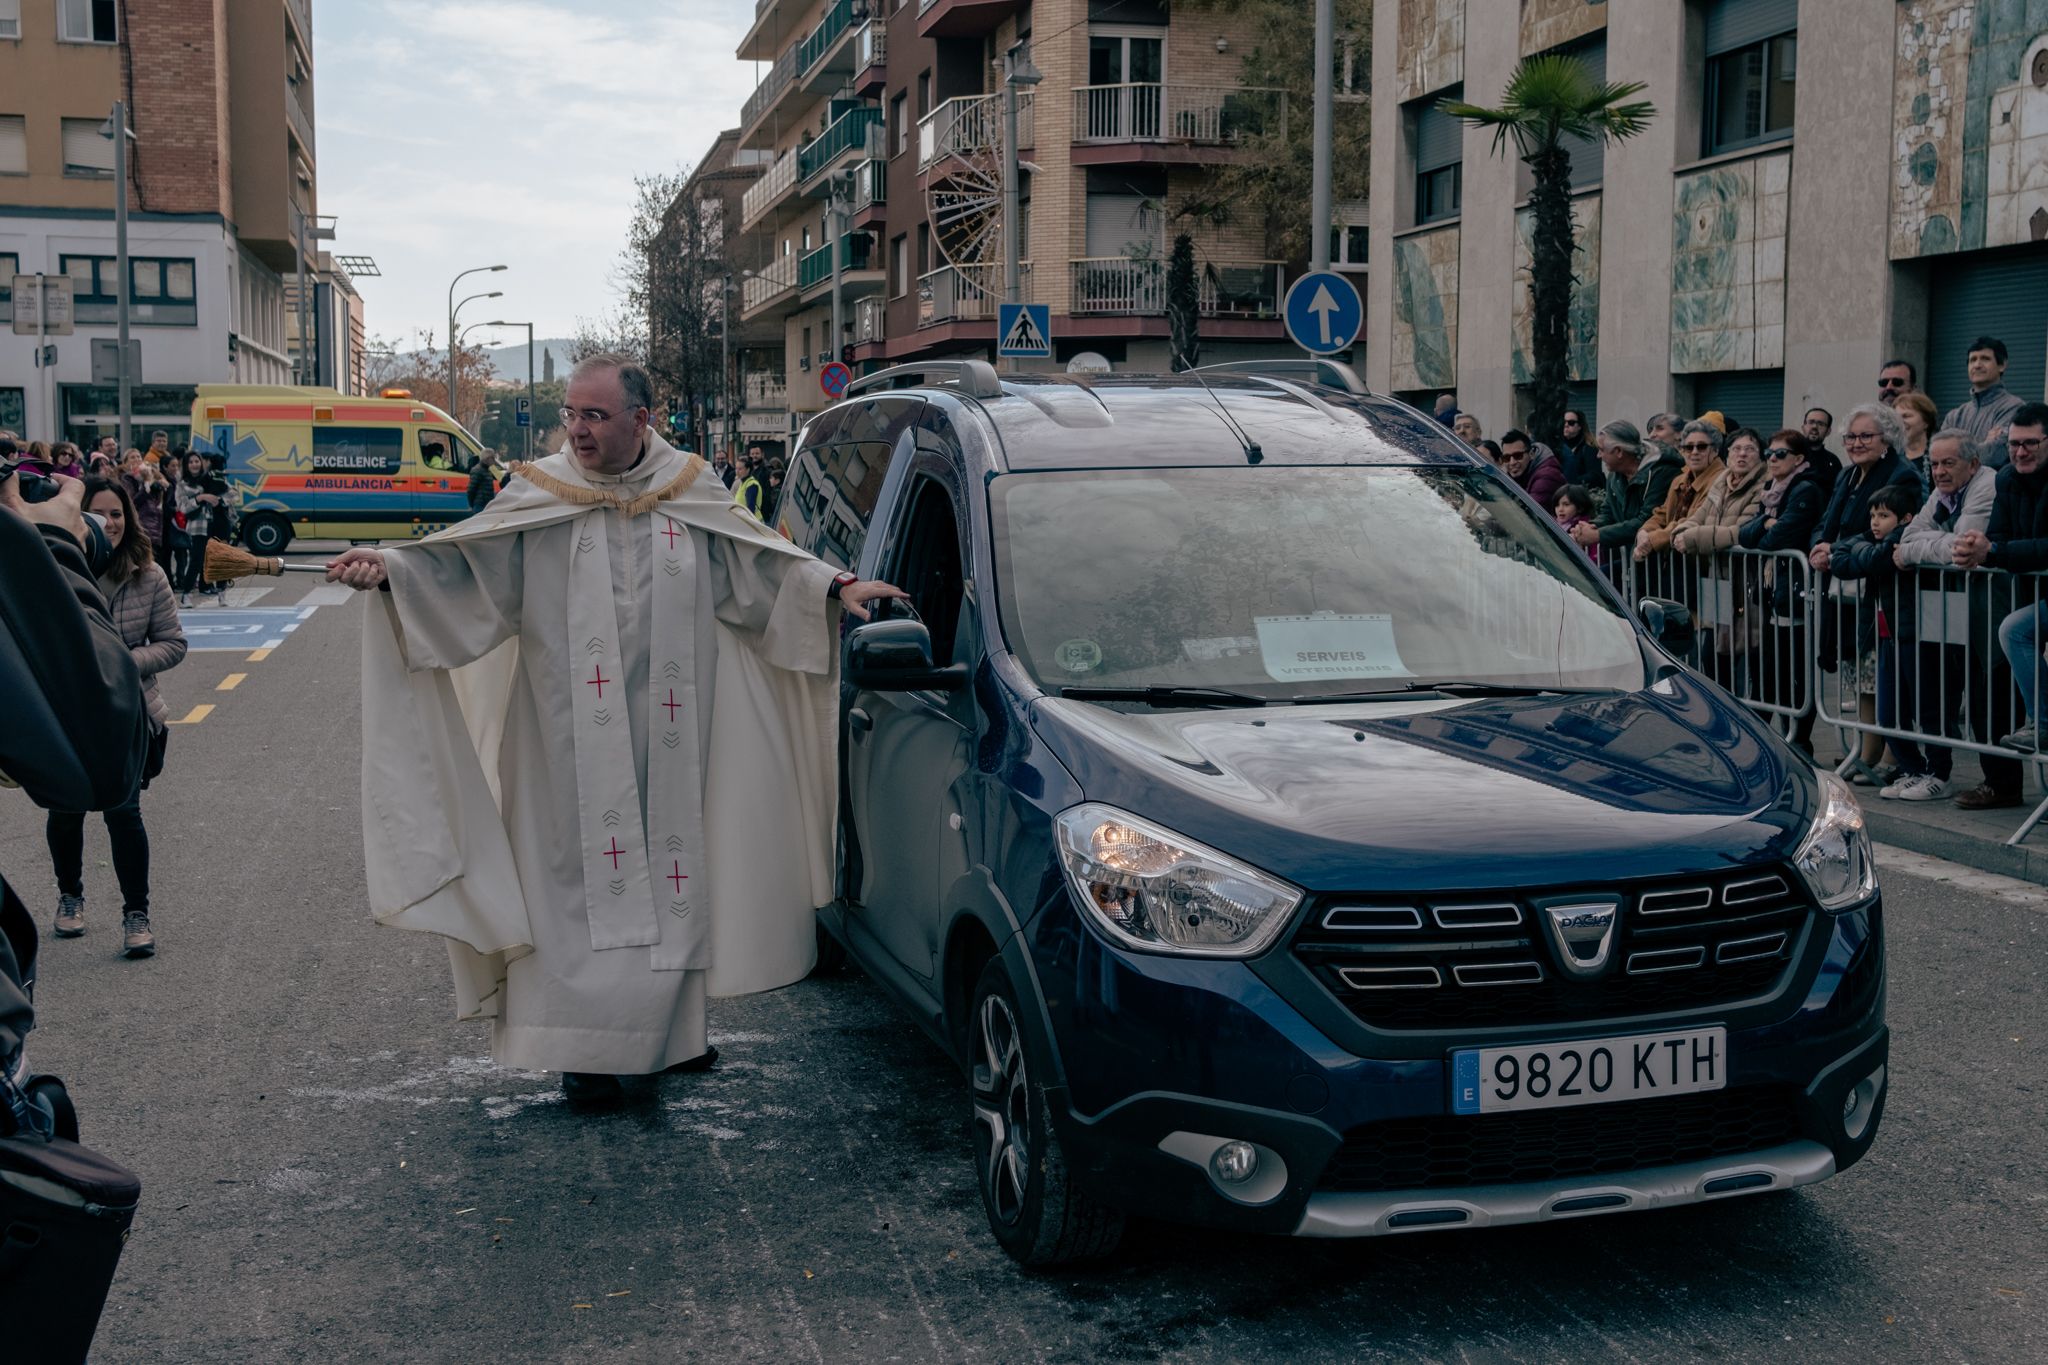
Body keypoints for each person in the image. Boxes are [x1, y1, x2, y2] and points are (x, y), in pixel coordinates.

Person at [326, 355, 906, 1110]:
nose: (578, 429)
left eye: (595, 416)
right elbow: (465, 577)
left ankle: (666, 1035)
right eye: (571, 413)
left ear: (642, 420)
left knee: (669, 881)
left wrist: (837, 586)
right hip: (562, 748)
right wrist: (395, 572)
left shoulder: (690, 491)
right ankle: (583, 1051)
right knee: (571, 892)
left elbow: (760, 571)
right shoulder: (539, 496)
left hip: (669, 739)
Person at [45, 479, 185, 955]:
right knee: (65, 810)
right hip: (67, 713)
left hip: (129, 715)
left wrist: (125, 661)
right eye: (97, 513)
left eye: (117, 513)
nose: (108, 522)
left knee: (124, 814)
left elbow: (173, 644)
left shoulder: (149, 576)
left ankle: (136, 914)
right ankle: (70, 897)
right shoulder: (52, 570)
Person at [1811, 404, 1924, 782]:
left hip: (1881, 590)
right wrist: (1821, 545)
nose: (1856, 444)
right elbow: (1827, 523)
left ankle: (1891, 753)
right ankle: (1867, 749)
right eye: (1851, 437)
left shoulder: (1901, 475)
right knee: (1858, 673)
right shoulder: (1847, 476)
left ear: (1886, 440)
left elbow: (1891, 534)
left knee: (1881, 673)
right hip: (1846, 588)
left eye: (1865, 436)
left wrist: (1840, 551)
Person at [1887, 430, 1997, 801]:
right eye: (1934, 463)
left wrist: (1919, 548)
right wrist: (1925, 545)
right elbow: (1909, 536)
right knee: (1937, 686)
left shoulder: (1986, 485)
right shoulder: (1941, 493)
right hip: (1947, 605)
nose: (1939, 472)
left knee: (1984, 697)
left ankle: (1997, 782)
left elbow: (1965, 543)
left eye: (1949, 462)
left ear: (1973, 464)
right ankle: (1936, 771)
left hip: (1984, 606)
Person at [1740, 431, 1833, 755]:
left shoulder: (1805, 488)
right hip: (1771, 592)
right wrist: (1765, 523)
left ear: (1799, 459)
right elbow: (1747, 534)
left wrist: (1766, 526)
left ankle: (1798, 742)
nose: (1772, 458)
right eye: (1770, 452)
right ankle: (1767, 741)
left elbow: (1774, 537)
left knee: (1793, 673)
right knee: (1767, 669)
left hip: (1795, 592)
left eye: (1780, 453)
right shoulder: (1772, 490)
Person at [1969, 406, 2048, 781]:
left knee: (2015, 629)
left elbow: (2003, 548)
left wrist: (1998, 552)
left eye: (2031, 443)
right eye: (2015, 444)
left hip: (2035, 595)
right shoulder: (2006, 479)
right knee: (2014, 629)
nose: (2021, 452)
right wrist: (1983, 548)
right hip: (2032, 592)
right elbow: (1996, 537)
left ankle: (2041, 722)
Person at [1829, 483, 1919, 792]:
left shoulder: (1903, 538)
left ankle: (1899, 761)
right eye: (1872, 516)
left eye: (1883, 515)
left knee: (1900, 701)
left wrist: (1864, 552)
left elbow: (1876, 560)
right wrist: (1865, 550)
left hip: (1903, 629)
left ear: (1905, 518)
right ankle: (1874, 755)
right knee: (1876, 696)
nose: (1874, 522)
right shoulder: (1871, 540)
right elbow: (1839, 557)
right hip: (1876, 627)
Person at [1572, 420, 1680, 558]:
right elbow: (1608, 512)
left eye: (1601, 449)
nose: (1598, 455)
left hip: (1658, 563)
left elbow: (1647, 520)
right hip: (1630, 561)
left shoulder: (1662, 473)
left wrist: (1598, 535)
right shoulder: (1614, 476)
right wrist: (1589, 528)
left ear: (1618, 452)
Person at [1941, 336, 2025, 451]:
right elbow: (1940, 454)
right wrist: (1986, 443)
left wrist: (1957, 452)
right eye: (1973, 360)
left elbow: (1996, 453)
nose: (1977, 365)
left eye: (1985, 359)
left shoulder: (2014, 408)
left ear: (2002, 365)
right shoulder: (1955, 416)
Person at [174, 449, 229, 607]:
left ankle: (222, 593)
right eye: (191, 462)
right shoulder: (183, 484)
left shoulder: (213, 477)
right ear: (186, 465)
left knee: (221, 558)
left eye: (197, 461)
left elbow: (233, 494)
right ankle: (186, 595)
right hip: (199, 526)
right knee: (196, 560)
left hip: (219, 523)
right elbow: (183, 507)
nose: (194, 464)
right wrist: (200, 498)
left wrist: (220, 500)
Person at [1498, 429, 1564, 510]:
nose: (1512, 462)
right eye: (1506, 458)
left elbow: (1530, 515)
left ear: (1531, 454)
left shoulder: (1547, 476)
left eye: (1518, 456)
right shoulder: (1514, 475)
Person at [1895, 390, 1939, 482]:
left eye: (1906, 416)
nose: (1900, 422)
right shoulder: (1891, 457)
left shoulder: (1938, 457)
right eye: (1896, 417)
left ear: (1926, 422)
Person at [1554, 484, 1598, 562]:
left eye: (1566, 505)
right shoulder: (1553, 525)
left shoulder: (1585, 527)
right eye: (1557, 505)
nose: (1560, 509)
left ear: (1580, 508)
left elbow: (1596, 557)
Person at [1557, 409, 1599, 486]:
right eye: (1564, 422)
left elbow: (1594, 475)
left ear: (1580, 426)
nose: (1566, 425)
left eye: (1571, 423)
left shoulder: (1589, 447)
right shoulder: (1558, 445)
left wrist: (1572, 480)